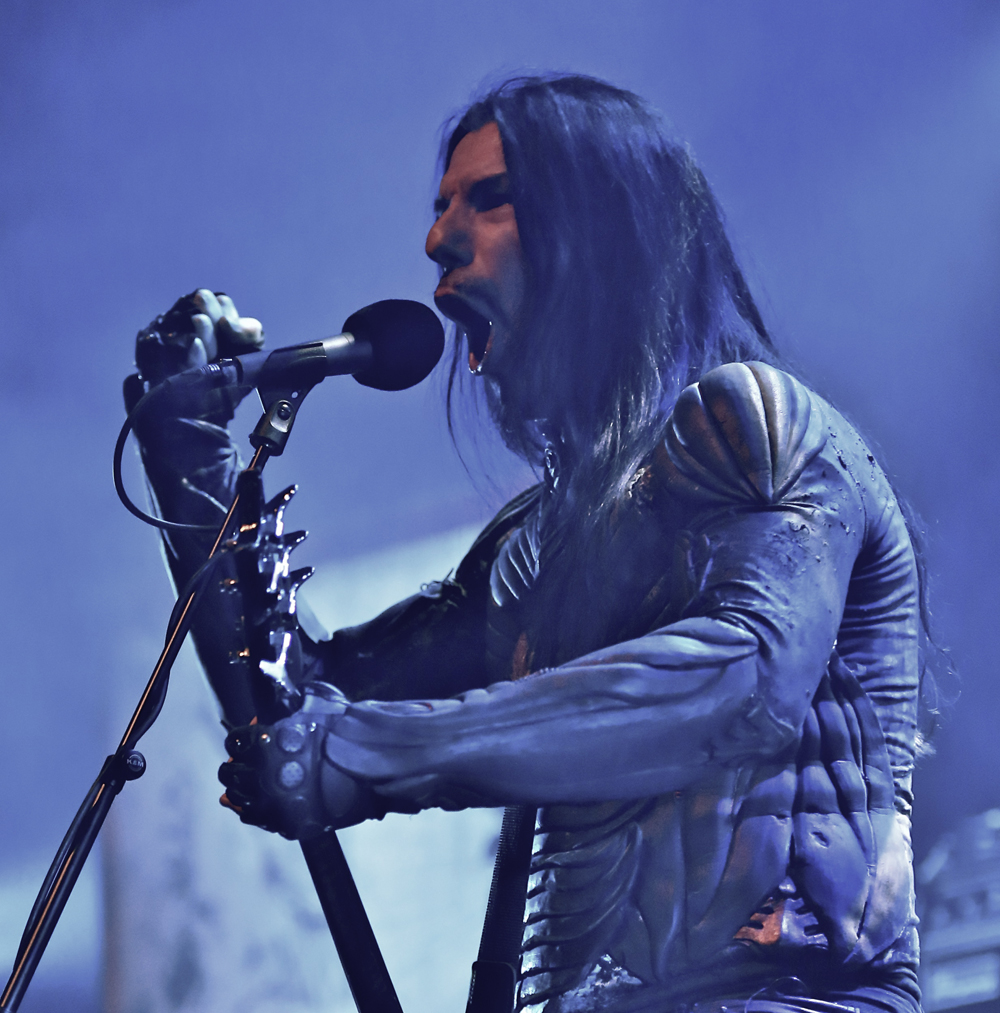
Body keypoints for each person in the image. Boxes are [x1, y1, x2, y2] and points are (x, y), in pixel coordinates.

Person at [128, 75, 926, 1013]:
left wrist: (366, 756)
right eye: (440, 207)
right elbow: (299, 705)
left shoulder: (755, 422)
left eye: (491, 197)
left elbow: (742, 685)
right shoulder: (537, 544)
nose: (438, 239)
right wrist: (188, 452)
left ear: (605, 233)